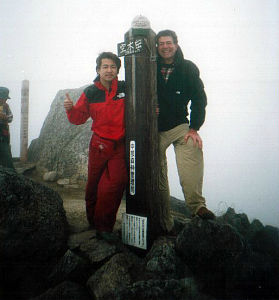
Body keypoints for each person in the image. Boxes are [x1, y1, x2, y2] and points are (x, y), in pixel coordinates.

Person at [156, 30, 215, 233]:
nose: (165, 46)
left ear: (176, 44)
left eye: (169, 42)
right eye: (161, 43)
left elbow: (199, 99)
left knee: (192, 145)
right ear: (156, 46)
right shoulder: (147, 67)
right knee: (156, 171)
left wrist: (194, 128)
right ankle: (164, 221)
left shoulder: (188, 68)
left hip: (180, 126)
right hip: (153, 129)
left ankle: (197, 206)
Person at [64, 52, 127, 242]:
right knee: (93, 185)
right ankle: (92, 221)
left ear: (117, 70)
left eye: (113, 67)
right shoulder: (91, 92)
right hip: (98, 144)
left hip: (119, 146)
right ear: (98, 69)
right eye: (105, 66)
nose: (109, 70)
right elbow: (78, 118)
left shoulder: (125, 88)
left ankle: (104, 227)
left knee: (114, 184)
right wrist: (70, 109)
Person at [0, 87, 14, 170]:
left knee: (6, 152)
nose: (5, 101)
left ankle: (10, 171)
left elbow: (11, 118)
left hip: (4, 133)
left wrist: (5, 117)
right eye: (3, 98)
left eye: (5, 99)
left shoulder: (6, 107)